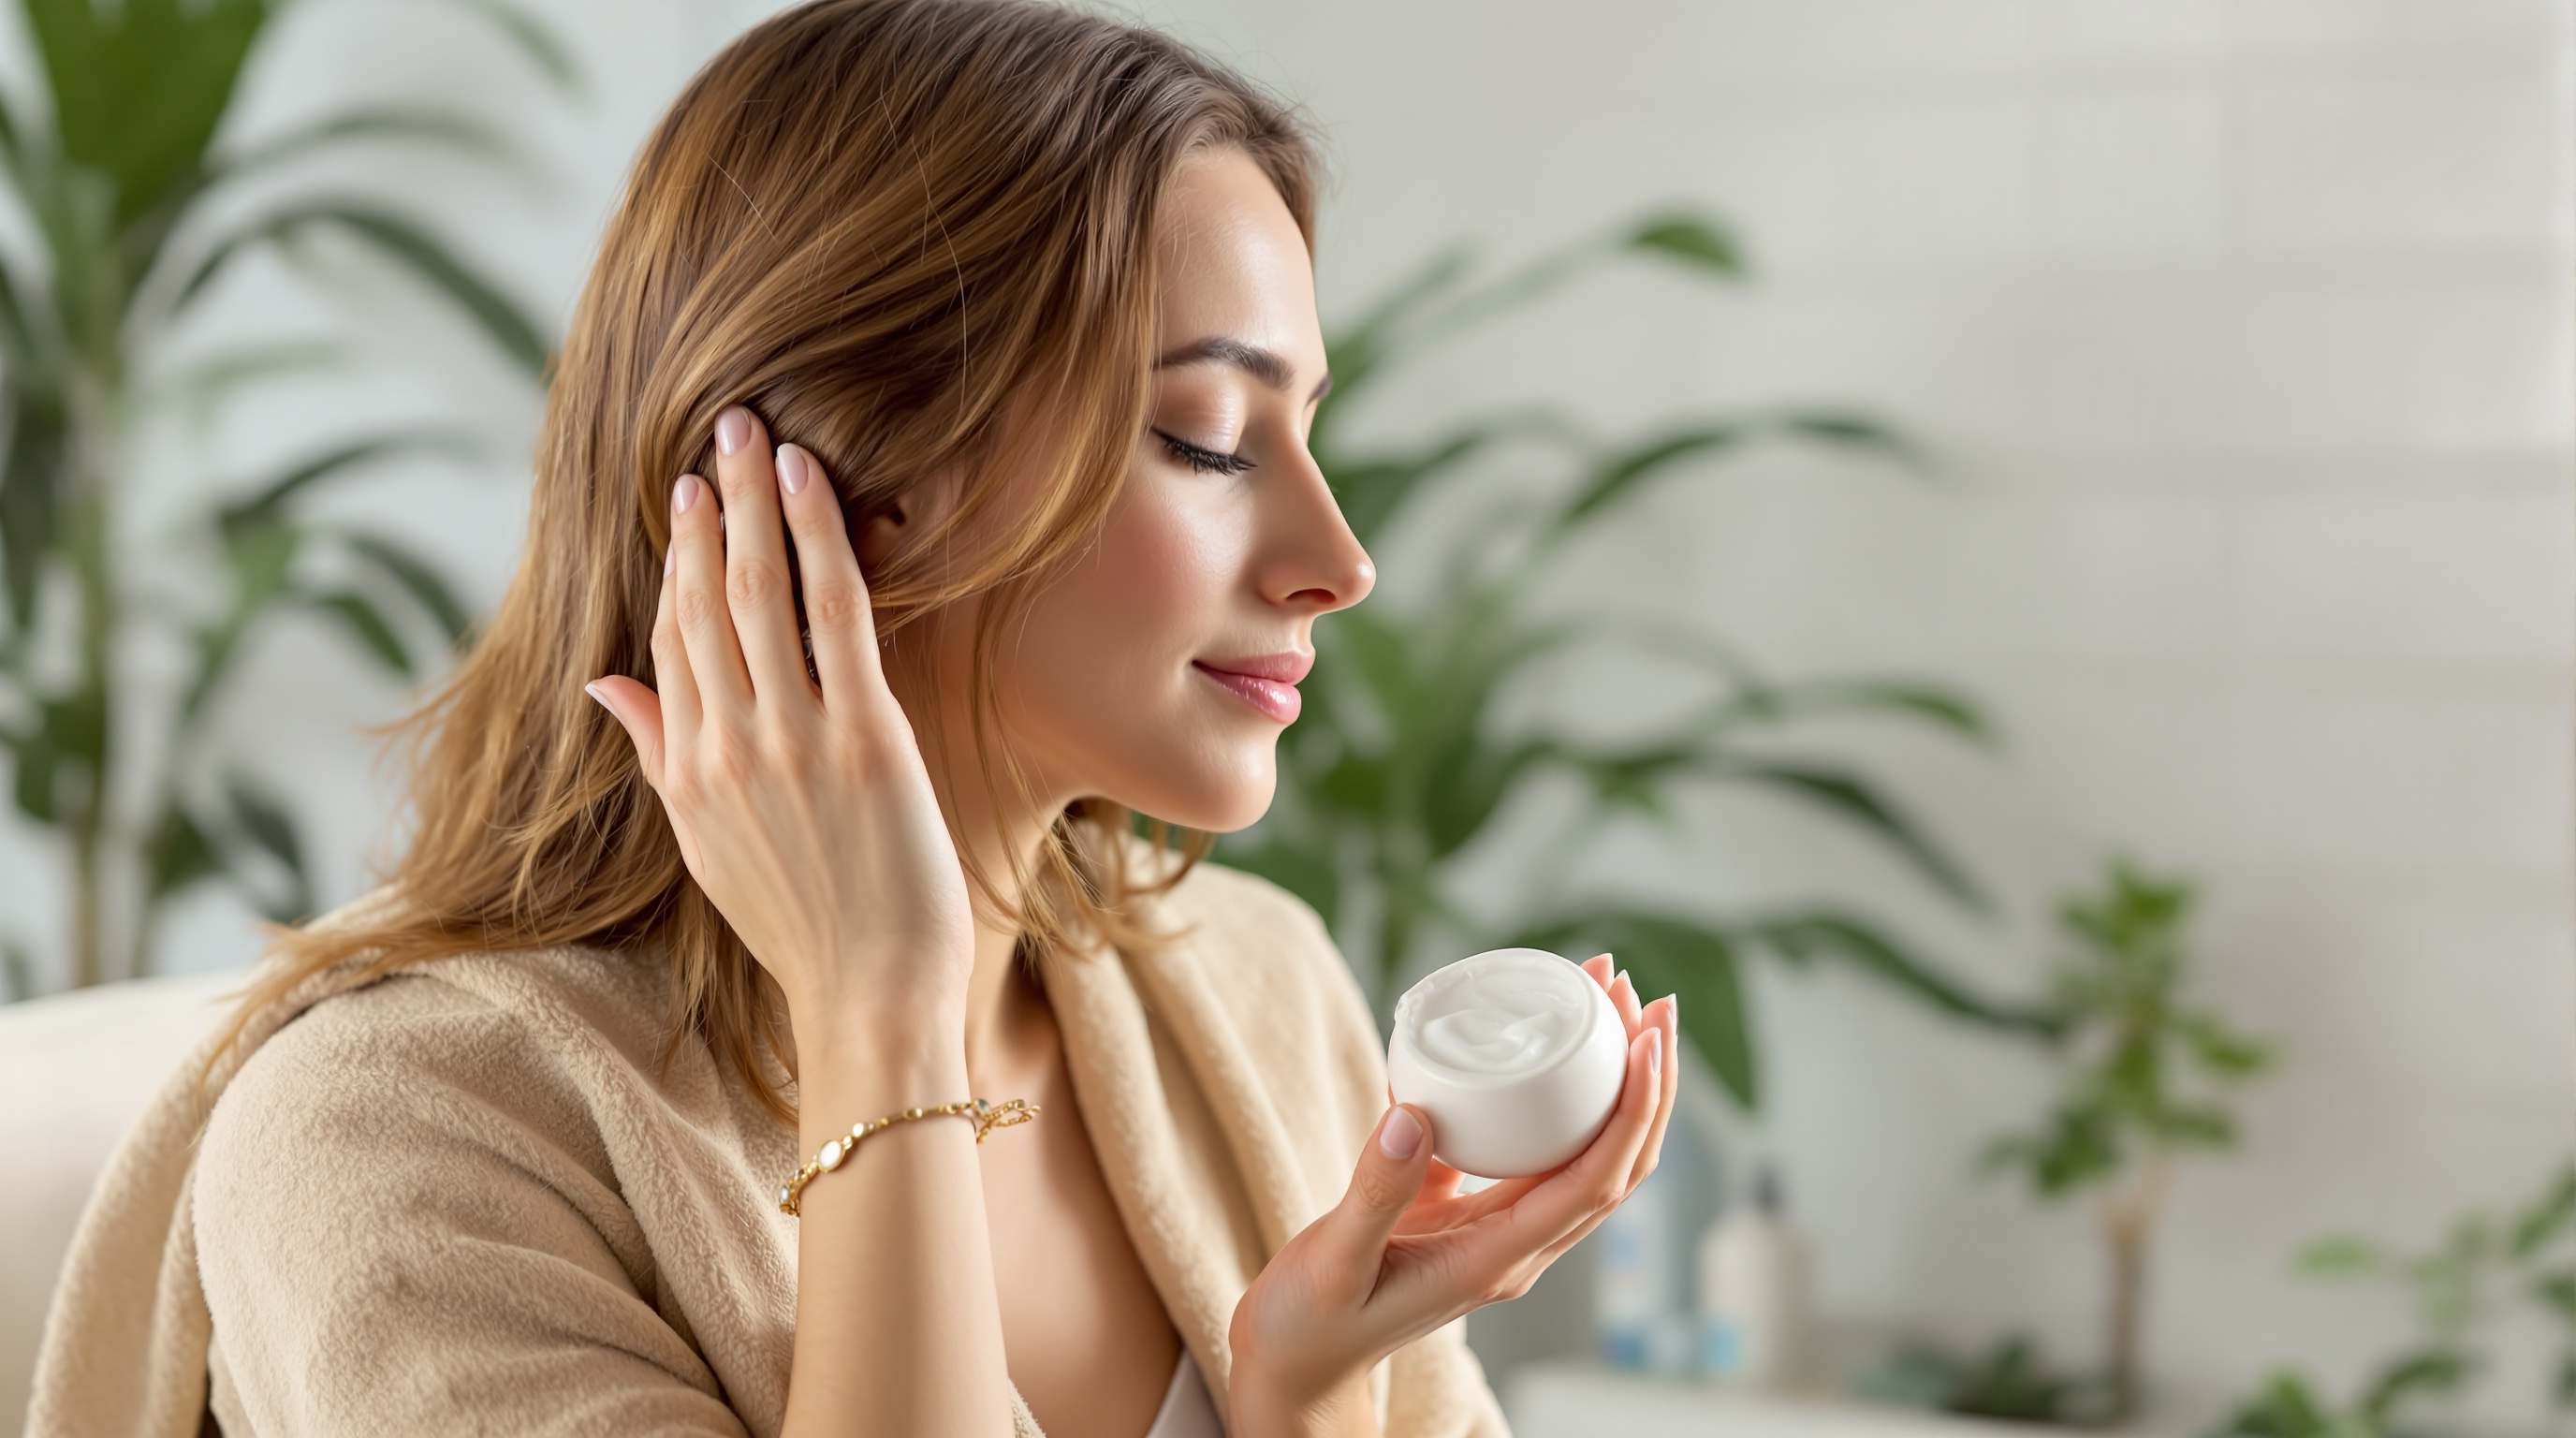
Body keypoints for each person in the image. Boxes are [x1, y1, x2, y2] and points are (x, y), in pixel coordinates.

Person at [26, 3, 1677, 1435]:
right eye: (1206, 439)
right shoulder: (396, 1147)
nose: (1340, 562)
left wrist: (1306, 1398)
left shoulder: (1254, 994)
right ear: (833, 488)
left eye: (1305, 430)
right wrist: (880, 1014)